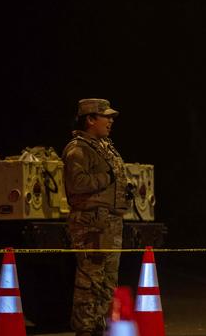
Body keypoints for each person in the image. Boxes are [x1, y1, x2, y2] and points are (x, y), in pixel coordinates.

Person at [62, 98, 130, 336]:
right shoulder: (78, 149)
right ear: (91, 119)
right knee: (90, 279)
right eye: (106, 117)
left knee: (107, 281)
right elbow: (77, 183)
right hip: (91, 223)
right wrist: (107, 178)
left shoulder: (104, 146)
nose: (111, 121)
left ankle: (99, 327)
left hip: (110, 222)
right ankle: (85, 329)